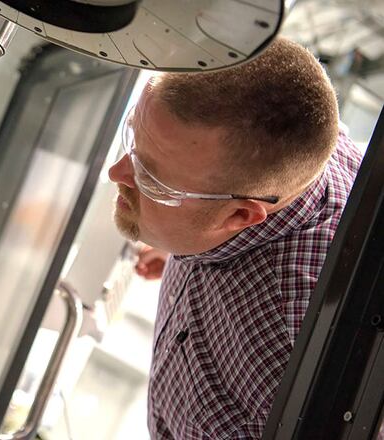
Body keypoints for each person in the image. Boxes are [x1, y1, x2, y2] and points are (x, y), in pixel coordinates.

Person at [108, 38, 362, 438]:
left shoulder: (293, 356)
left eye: (152, 181)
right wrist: (181, 238)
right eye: (133, 138)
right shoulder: (300, 147)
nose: (117, 172)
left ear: (241, 216)